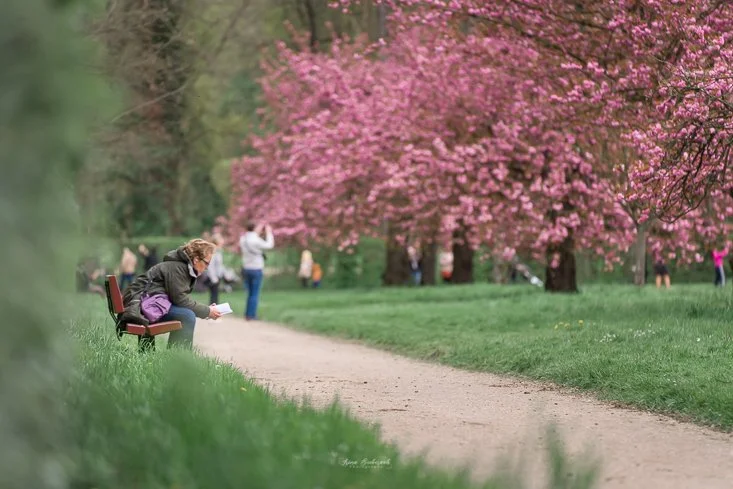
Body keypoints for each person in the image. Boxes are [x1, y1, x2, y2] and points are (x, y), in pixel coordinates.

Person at [120, 238, 223, 349]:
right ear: (196, 259)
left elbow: (178, 298)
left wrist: (207, 309)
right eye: (206, 263)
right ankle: (177, 359)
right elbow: (180, 300)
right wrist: (207, 311)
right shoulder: (178, 268)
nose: (207, 268)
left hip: (143, 303)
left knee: (186, 313)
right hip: (140, 307)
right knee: (187, 316)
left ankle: (172, 357)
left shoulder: (180, 266)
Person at [239, 222, 275, 320]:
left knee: (249, 292)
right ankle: (251, 315)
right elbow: (269, 245)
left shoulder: (243, 239)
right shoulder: (256, 240)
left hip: (246, 268)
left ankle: (247, 314)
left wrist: (257, 232)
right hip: (256, 269)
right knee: (254, 293)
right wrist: (269, 232)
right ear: (254, 228)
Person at [206, 235, 225, 305]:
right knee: (214, 295)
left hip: (217, 276)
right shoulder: (213, 252)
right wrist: (214, 278)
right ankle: (212, 310)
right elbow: (210, 266)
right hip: (213, 277)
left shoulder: (219, 251)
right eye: (221, 242)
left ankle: (214, 309)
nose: (223, 243)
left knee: (215, 295)